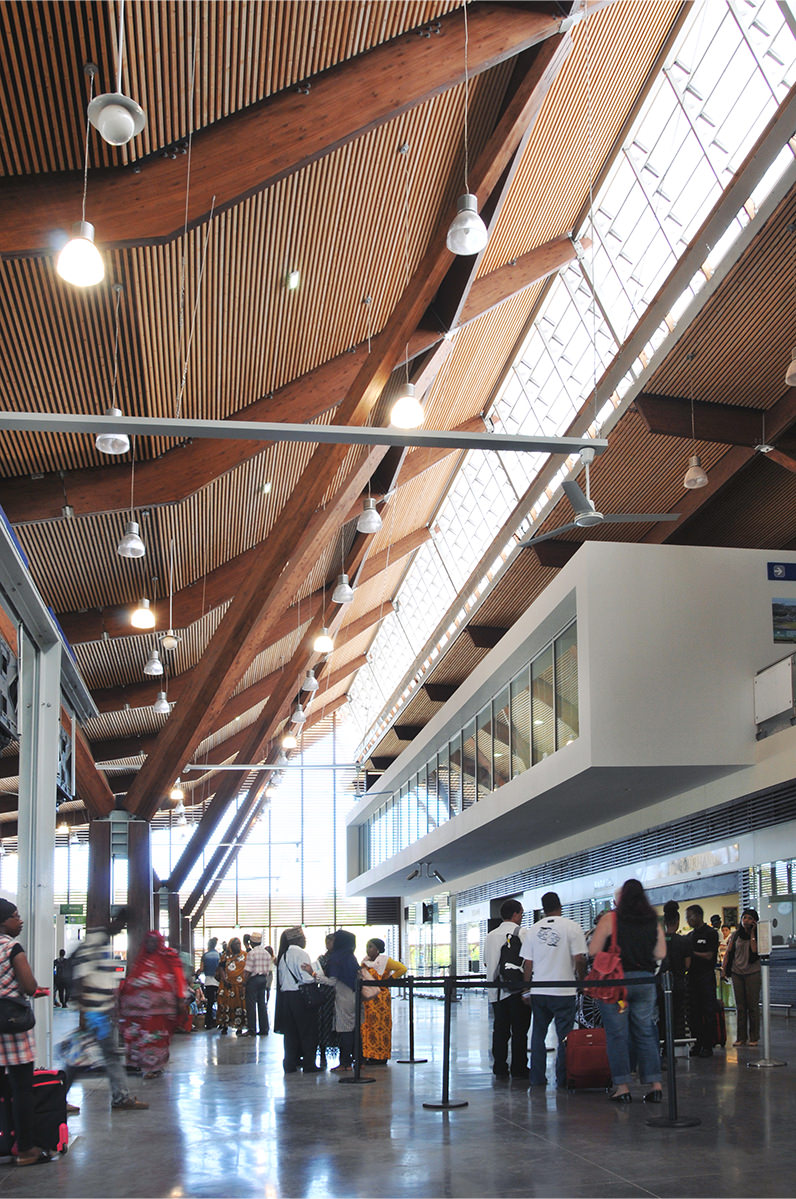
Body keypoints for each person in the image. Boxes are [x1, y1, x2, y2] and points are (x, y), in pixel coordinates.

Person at [589, 879, 666, 1103]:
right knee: (645, 1031)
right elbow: (661, 953)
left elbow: (593, 950)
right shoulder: (653, 920)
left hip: (616, 982)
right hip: (645, 981)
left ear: (619, 899)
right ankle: (655, 1085)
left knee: (617, 1034)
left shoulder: (610, 919)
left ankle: (622, 1087)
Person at [66, 907, 148, 1111]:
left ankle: (59, 1097)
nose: (122, 929)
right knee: (94, 1057)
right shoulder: (96, 939)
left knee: (81, 1057)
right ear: (116, 921)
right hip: (95, 1013)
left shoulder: (103, 942)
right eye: (122, 924)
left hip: (100, 1011)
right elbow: (81, 974)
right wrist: (84, 1011)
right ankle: (120, 1097)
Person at [0, 898, 52, 1166]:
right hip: (11, 1026)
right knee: (21, 1088)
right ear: (3, 921)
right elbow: (30, 986)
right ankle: (27, 1149)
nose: (20, 921)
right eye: (15, 916)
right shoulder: (12, 947)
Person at [521, 891, 587, 1089]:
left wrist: (526, 989)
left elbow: (528, 963)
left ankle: (537, 1077)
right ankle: (563, 1077)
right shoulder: (572, 927)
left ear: (543, 909)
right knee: (565, 1036)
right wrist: (581, 981)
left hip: (540, 991)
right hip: (564, 991)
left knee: (538, 1035)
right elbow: (580, 959)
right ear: (560, 906)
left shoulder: (532, 930)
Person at [118, 931, 187, 1077]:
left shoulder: (168, 958)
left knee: (156, 1037)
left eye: (154, 942)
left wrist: (180, 998)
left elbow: (178, 978)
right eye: (148, 942)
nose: (151, 945)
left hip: (160, 1012)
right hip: (139, 1012)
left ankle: (155, 1066)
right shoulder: (141, 960)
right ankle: (141, 1065)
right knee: (139, 1036)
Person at [484, 899, 531, 1079]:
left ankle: (499, 1066)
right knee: (520, 1030)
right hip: (517, 989)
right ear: (516, 914)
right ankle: (519, 1067)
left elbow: (487, 962)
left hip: (495, 990)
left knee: (500, 1030)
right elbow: (529, 960)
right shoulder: (522, 932)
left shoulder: (490, 935)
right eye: (521, 913)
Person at [274, 926, 319, 1073]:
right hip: (300, 997)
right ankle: (309, 1064)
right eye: (303, 938)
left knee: (290, 1033)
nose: (305, 940)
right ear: (297, 939)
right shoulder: (301, 954)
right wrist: (314, 974)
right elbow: (306, 978)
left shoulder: (283, 955)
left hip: (287, 998)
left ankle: (290, 1063)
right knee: (307, 1031)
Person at [359, 938, 407, 1064]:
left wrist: (390, 979)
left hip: (380, 1000)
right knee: (367, 1026)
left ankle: (380, 1056)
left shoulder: (384, 961)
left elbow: (402, 968)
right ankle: (368, 1053)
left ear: (378, 949)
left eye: (371, 946)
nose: (368, 949)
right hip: (368, 1000)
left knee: (380, 1027)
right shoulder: (365, 962)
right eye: (367, 946)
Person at [319, 930, 359, 1073]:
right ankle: (357, 1061)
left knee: (345, 1030)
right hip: (355, 996)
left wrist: (313, 974)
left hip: (343, 997)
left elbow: (332, 981)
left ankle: (345, 1063)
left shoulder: (337, 957)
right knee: (354, 1029)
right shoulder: (350, 956)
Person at [722, 908, 761, 1047]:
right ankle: (741, 1037)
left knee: (753, 1006)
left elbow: (755, 950)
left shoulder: (757, 934)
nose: (746, 921)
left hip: (752, 972)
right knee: (740, 1006)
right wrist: (724, 969)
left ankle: (754, 1037)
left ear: (755, 921)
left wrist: (752, 932)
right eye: (745, 918)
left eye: (750, 918)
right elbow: (729, 952)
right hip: (737, 972)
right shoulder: (735, 935)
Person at [685, 903, 719, 1058]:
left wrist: (692, 953)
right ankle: (697, 1043)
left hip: (706, 977)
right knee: (694, 1012)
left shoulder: (711, 933)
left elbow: (710, 956)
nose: (688, 920)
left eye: (689, 916)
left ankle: (708, 1044)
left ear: (698, 916)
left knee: (708, 1011)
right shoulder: (690, 936)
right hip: (692, 978)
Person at [660, 900, 690, 1042]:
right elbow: (687, 964)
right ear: (678, 920)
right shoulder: (683, 941)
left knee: (662, 1014)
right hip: (678, 983)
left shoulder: (658, 941)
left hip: (660, 985)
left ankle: (663, 1044)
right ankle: (678, 1044)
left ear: (664, 921)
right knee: (678, 1015)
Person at [215, 937, 247, 1036]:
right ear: (231, 945)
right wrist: (224, 980)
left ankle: (239, 1027)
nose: (238, 945)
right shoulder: (225, 956)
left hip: (239, 986)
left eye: (239, 944)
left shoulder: (245, 955)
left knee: (239, 1006)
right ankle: (224, 1025)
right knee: (225, 1005)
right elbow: (221, 968)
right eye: (235, 944)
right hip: (227, 985)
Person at [243, 932, 272, 1036]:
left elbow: (248, 970)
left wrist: (244, 982)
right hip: (263, 979)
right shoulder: (266, 953)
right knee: (262, 1004)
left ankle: (252, 1029)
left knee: (251, 1005)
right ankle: (264, 1029)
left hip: (253, 980)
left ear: (251, 942)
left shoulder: (252, 953)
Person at [314, 934, 337, 1068]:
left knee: (337, 1024)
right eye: (327, 941)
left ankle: (341, 1053)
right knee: (323, 1023)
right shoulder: (321, 959)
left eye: (331, 941)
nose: (328, 943)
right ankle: (322, 1054)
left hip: (337, 994)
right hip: (324, 995)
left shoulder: (339, 959)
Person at [199, 937, 220, 1029]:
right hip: (218, 981)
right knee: (220, 1002)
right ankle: (220, 1021)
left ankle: (209, 1023)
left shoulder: (205, 955)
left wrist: (197, 972)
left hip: (208, 981)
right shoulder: (219, 955)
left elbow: (202, 969)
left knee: (210, 1003)